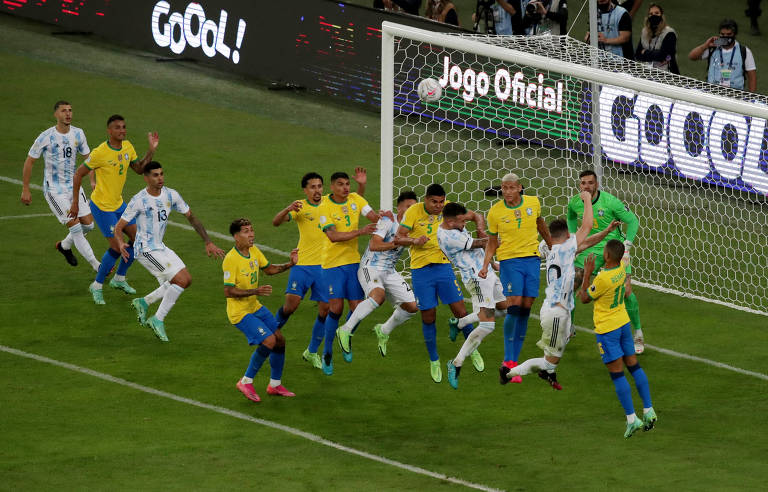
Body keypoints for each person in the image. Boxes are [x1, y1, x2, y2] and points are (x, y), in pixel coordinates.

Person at [499, 192, 619, 389]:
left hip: (558, 309)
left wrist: (606, 231)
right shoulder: (565, 248)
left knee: (562, 343)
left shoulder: (551, 248)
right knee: (548, 360)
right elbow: (587, 227)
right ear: (565, 235)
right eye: (571, 235)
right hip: (556, 312)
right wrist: (588, 199)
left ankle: (549, 373)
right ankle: (509, 372)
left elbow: (587, 241)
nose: (574, 237)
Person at [114, 161, 225, 342]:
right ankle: (157, 320)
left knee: (186, 280)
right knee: (179, 280)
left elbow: (192, 217)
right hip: (145, 250)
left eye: (162, 174)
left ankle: (144, 302)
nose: (160, 178)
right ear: (146, 178)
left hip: (161, 247)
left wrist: (208, 242)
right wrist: (120, 244)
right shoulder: (139, 200)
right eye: (155, 175)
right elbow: (118, 228)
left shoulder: (171, 195)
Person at [271, 169, 367, 370]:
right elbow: (276, 222)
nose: (316, 190)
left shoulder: (328, 203)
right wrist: (287, 208)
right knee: (291, 305)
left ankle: (312, 351)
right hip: (303, 265)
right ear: (305, 190)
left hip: (325, 267)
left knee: (325, 310)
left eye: (319, 186)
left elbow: (352, 207)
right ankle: (270, 333)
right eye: (312, 187)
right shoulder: (300, 207)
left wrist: (360, 186)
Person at [396, 184, 485, 383]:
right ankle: (434, 360)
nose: (438, 206)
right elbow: (398, 238)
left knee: (461, 312)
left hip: (444, 267)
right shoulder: (413, 211)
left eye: (441, 202)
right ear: (425, 199)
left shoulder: (450, 210)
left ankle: (473, 350)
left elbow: (477, 215)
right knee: (428, 316)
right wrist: (414, 241)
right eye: (434, 201)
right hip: (420, 271)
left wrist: (479, 228)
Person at [70, 114, 159, 305]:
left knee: (137, 241)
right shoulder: (100, 152)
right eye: (118, 127)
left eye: (124, 127)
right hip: (102, 207)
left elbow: (138, 169)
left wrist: (151, 150)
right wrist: (75, 203)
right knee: (116, 247)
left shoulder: (128, 146)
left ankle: (119, 278)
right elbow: (78, 174)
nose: (122, 130)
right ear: (109, 131)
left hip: (119, 204)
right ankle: (97, 285)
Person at [577, 242, 657, 438]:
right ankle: (648, 409)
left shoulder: (603, 278)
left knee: (618, 375)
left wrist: (587, 274)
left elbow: (584, 298)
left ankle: (632, 419)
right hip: (623, 324)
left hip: (607, 330)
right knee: (634, 366)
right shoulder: (621, 269)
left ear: (607, 255)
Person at [480, 173, 551, 383]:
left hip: (532, 260)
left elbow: (540, 224)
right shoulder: (495, 212)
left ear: (520, 188)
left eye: (511, 188)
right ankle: (508, 362)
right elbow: (492, 242)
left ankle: (514, 365)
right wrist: (485, 265)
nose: (507, 192)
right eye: (504, 188)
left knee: (526, 308)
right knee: (515, 305)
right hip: (510, 261)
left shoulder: (533, 203)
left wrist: (552, 245)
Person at [566, 170, 644, 354]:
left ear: (597, 185)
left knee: (626, 291)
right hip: (589, 249)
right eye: (583, 183)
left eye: (590, 183)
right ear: (580, 185)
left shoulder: (611, 202)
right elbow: (570, 216)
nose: (586, 186)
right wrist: (572, 239)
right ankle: (568, 328)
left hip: (613, 248)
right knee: (570, 285)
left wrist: (627, 246)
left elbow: (633, 221)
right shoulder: (575, 202)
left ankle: (638, 333)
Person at [336, 191, 420, 359]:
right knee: (378, 296)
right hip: (370, 267)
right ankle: (345, 330)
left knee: (412, 307)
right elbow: (374, 245)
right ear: (399, 207)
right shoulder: (388, 220)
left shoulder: (412, 227)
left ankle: (383, 330)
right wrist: (396, 243)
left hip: (389, 271)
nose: (410, 211)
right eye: (407, 207)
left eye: (413, 208)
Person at [224, 218, 298, 403]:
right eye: (246, 231)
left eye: (252, 230)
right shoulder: (231, 259)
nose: (251, 234)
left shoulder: (254, 251)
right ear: (236, 236)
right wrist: (255, 291)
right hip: (240, 312)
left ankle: (274, 385)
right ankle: (246, 381)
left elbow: (269, 269)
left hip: (254, 306)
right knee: (269, 340)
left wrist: (290, 264)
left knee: (279, 340)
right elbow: (229, 291)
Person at [21, 101, 100, 271]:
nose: (68, 114)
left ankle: (64, 246)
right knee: (77, 227)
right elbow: (30, 161)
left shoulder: (78, 134)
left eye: (70, 110)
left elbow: (90, 159)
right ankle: (97, 265)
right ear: (56, 114)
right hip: (54, 190)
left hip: (74, 186)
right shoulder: (46, 137)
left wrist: (92, 181)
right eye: (64, 111)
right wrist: (25, 188)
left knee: (89, 225)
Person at [317, 171, 380, 375]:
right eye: (340, 184)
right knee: (335, 308)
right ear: (331, 187)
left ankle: (346, 334)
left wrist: (387, 217)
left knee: (358, 307)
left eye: (347, 184)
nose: (345, 187)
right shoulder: (324, 207)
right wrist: (360, 232)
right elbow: (333, 236)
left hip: (353, 261)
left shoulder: (355, 198)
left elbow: (373, 216)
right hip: (332, 264)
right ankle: (327, 352)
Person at [438, 202, 506, 390]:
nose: (463, 224)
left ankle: (459, 323)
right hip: (475, 277)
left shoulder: (455, 220)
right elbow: (482, 243)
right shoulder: (448, 236)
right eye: (461, 222)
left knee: (506, 309)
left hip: (486, 272)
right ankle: (456, 363)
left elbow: (477, 216)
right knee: (487, 324)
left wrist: (480, 228)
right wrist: (502, 238)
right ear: (451, 222)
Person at [688, 19, 757, 92]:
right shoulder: (712, 48)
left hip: (735, 95)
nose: (725, 37)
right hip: (712, 92)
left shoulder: (744, 51)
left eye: (729, 34)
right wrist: (705, 45)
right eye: (722, 34)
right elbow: (692, 56)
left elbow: (752, 77)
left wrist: (751, 98)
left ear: (735, 34)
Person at [634, 3, 679, 74]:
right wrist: (655, 54)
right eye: (651, 14)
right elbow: (637, 55)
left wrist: (645, 52)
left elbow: (662, 56)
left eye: (657, 13)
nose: (653, 15)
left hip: (666, 74)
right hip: (647, 72)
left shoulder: (669, 33)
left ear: (662, 16)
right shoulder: (644, 32)